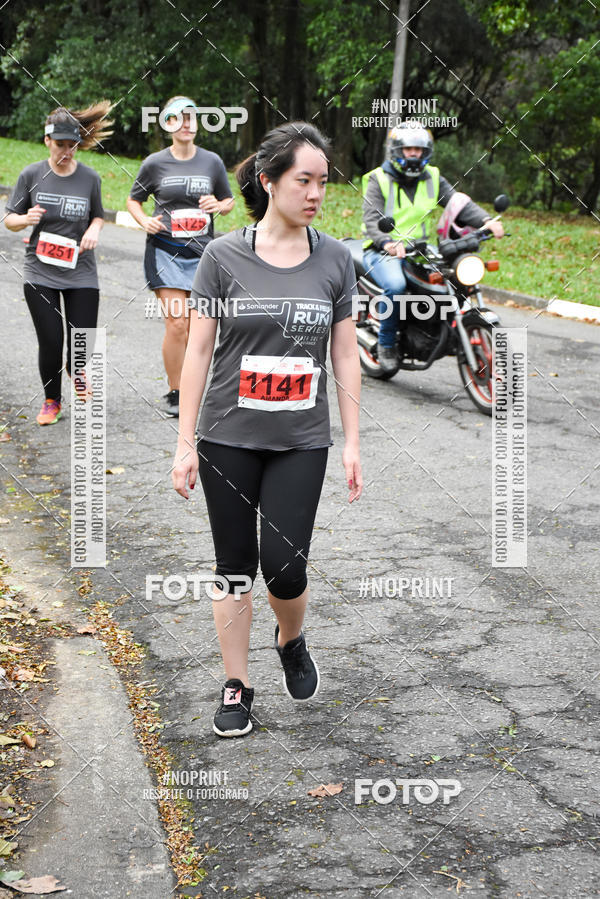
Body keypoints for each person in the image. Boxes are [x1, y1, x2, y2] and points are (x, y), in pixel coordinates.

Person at [172, 122, 362, 738]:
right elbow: (198, 352)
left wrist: (353, 440)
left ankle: (291, 637)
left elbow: (344, 355)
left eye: (322, 182)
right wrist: (184, 444)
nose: (315, 193)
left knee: (283, 565)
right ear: (268, 180)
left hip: (301, 440)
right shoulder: (223, 256)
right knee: (232, 565)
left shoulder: (336, 258)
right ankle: (237, 684)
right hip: (227, 434)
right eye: (303, 180)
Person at [362, 120, 504, 372]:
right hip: (383, 250)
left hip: (421, 250)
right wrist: (388, 242)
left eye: (419, 149)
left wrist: (486, 221)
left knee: (456, 277)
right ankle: (386, 344)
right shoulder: (378, 179)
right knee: (395, 286)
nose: (414, 154)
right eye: (409, 149)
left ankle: (441, 329)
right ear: (397, 150)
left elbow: (458, 204)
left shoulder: (433, 178)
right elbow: (372, 220)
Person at [127, 96, 235, 417]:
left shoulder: (212, 162)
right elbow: (134, 200)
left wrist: (219, 206)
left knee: (197, 326)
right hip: (165, 250)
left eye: (191, 118)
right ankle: (177, 390)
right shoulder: (154, 163)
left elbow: (228, 200)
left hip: (202, 252)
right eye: (179, 118)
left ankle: (193, 385)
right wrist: (143, 219)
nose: (186, 124)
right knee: (177, 324)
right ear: (168, 124)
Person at [4, 102, 112, 424]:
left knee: (83, 340)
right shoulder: (32, 175)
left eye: (72, 145)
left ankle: (75, 369)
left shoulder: (90, 178)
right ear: (47, 140)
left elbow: (98, 215)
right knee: (51, 339)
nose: (67, 151)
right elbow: (9, 219)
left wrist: (93, 230)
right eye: (61, 145)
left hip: (81, 271)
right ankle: (52, 400)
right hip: (41, 270)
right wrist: (25, 218)